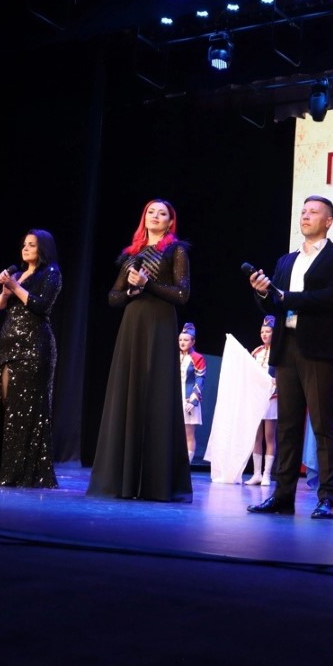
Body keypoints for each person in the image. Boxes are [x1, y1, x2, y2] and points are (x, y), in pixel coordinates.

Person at [246, 195, 333, 520]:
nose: (305, 216)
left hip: (318, 349)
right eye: (303, 211)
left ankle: (328, 498)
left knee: (323, 425)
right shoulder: (286, 260)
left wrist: (287, 297)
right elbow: (273, 304)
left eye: (313, 212)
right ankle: (282, 496)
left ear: (328, 221)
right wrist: (262, 291)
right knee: (287, 427)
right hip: (286, 347)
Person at [88, 199, 193, 502]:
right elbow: (113, 297)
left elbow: (182, 294)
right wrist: (133, 289)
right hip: (132, 326)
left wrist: (148, 284)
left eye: (162, 213)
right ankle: (120, 480)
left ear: (170, 222)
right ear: (144, 218)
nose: (156, 216)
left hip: (159, 325)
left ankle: (155, 483)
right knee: (128, 391)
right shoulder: (131, 253)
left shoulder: (176, 251)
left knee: (156, 393)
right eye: (151, 212)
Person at [0, 230, 62, 488]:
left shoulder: (51, 273)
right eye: (24, 244)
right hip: (9, 345)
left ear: (43, 249)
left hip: (34, 346)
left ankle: (22, 472)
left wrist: (15, 287)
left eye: (32, 245)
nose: (25, 248)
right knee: (7, 405)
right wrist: (6, 291)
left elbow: (41, 306)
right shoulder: (18, 275)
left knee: (25, 410)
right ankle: (3, 469)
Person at [245, 315, 278, 486]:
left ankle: (267, 474)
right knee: (256, 436)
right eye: (262, 332)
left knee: (269, 436)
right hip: (257, 398)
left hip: (272, 398)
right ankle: (256, 473)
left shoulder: (279, 352)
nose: (264, 334)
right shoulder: (256, 352)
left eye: (268, 331)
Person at [178, 322, 206, 463]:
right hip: (176, 399)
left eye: (186, 340)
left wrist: (194, 400)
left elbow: (200, 380)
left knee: (188, 434)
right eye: (180, 340)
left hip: (189, 400)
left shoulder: (197, 358)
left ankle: (186, 465)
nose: (182, 342)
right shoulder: (174, 356)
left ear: (193, 341)